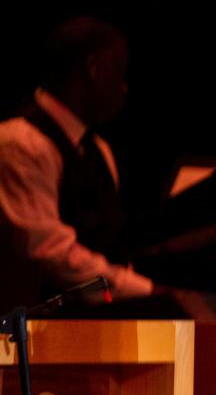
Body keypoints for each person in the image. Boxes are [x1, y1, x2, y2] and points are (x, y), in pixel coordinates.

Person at [0, 16, 153, 311]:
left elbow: (111, 243)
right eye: (119, 72)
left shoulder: (98, 150)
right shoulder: (21, 143)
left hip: (100, 326)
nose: (124, 88)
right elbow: (47, 252)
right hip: (38, 338)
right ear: (93, 69)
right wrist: (142, 289)